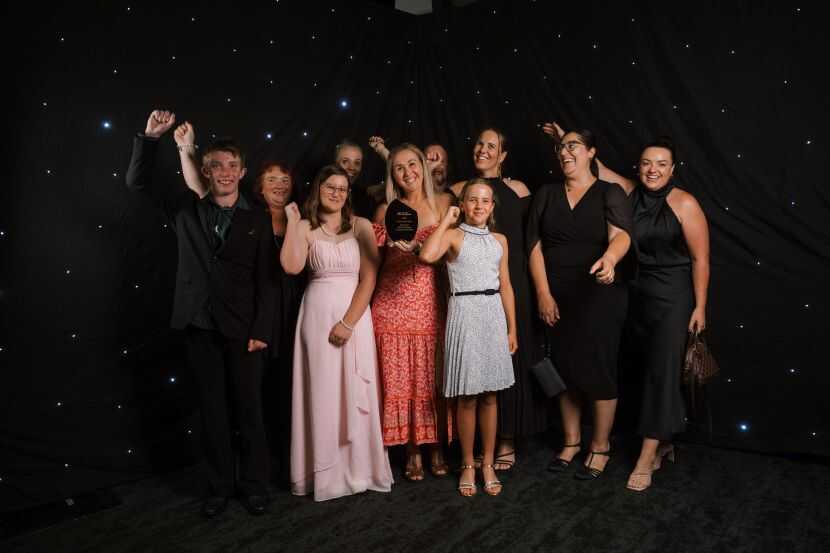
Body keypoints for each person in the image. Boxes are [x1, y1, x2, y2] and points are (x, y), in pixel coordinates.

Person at [125, 110, 275, 517]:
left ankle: (255, 485)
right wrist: (150, 138)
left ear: (242, 172)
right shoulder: (184, 209)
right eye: (215, 166)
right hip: (197, 325)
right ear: (204, 171)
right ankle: (218, 488)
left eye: (231, 166)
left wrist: (262, 328)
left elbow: (267, 280)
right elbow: (137, 182)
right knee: (211, 411)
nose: (224, 173)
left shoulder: (257, 219)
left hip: (244, 329)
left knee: (249, 410)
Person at [281, 164, 393, 501]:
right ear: (318, 189)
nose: (336, 193)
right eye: (330, 186)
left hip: (354, 317)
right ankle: (323, 475)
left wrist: (348, 322)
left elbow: (370, 278)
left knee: (356, 388)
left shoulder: (360, 226)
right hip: (316, 316)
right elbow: (291, 266)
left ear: (348, 194)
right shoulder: (304, 226)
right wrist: (291, 223)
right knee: (322, 392)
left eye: (342, 188)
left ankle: (360, 470)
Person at [527, 128, 633, 480]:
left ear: (591, 152)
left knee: (599, 369)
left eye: (573, 145)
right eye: (561, 147)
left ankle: (600, 446)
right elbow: (533, 246)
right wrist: (543, 293)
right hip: (556, 295)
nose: (565, 151)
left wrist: (611, 259)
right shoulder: (546, 193)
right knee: (563, 368)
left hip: (599, 293)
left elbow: (622, 235)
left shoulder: (609, 192)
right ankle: (571, 442)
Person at [449, 128, 547, 471]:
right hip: (469, 286)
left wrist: (542, 290)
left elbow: (533, 243)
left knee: (510, 361)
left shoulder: (519, 190)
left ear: (503, 156)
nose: (483, 149)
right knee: (475, 369)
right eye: (479, 143)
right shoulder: (458, 191)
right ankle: (473, 449)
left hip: (510, 279)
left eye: (492, 146)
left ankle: (507, 440)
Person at [419, 178, 517, 496]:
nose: (479, 206)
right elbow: (426, 255)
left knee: (490, 395)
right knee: (467, 397)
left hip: (492, 315)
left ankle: (487, 462)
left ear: (492, 207)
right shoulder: (453, 235)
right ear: (463, 204)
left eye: (485, 200)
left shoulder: (500, 240)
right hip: (464, 312)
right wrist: (447, 219)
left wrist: (512, 328)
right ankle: (467, 464)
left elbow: (506, 285)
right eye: (472, 200)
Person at [371, 144, 454, 480]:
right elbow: (371, 267)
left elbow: (455, 252)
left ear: (423, 165)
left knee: (430, 379)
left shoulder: (446, 203)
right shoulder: (384, 211)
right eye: (398, 168)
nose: (407, 173)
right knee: (398, 381)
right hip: (392, 304)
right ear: (392, 175)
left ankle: (435, 447)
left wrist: (423, 247)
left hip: (431, 303)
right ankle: (411, 449)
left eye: (412, 165)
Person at [368, 136, 451, 193]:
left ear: (447, 164)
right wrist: (381, 149)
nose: (436, 164)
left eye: (441, 160)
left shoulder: (454, 192)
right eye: (430, 160)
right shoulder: (407, 188)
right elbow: (397, 163)